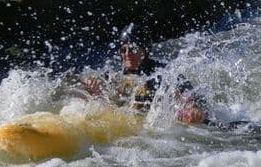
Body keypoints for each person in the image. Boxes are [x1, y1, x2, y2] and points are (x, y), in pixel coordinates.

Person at [79, 29, 208, 125]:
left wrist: (194, 109)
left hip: (156, 126)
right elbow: (112, 104)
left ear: (144, 50)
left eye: (133, 49)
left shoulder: (163, 73)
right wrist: (95, 93)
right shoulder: (115, 76)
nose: (127, 54)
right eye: (123, 50)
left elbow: (191, 96)